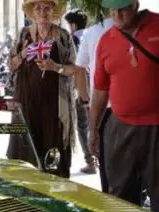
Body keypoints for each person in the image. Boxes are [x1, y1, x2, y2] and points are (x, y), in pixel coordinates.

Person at [89, 0, 159, 212]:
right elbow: (100, 91)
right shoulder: (106, 41)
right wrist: (93, 130)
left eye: (122, 8)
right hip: (121, 128)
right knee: (121, 198)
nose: (117, 14)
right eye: (112, 9)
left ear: (135, 5)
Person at [7, 0, 80, 178]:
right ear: (32, 11)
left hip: (55, 104)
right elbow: (11, 65)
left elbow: (74, 69)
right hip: (25, 102)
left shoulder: (63, 36)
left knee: (53, 150)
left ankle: (55, 192)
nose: (42, 12)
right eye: (38, 8)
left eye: (47, 7)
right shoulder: (24, 34)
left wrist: (55, 67)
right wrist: (24, 53)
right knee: (24, 145)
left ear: (53, 11)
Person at [76, 11, 114, 186]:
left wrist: (85, 100)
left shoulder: (92, 33)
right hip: (125, 107)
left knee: (106, 160)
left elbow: (79, 68)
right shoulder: (134, 28)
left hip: (101, 106)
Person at [64, 10, 94, 174]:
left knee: (82, 125)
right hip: (97, 86)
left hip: (81, 86)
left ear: (73, 25)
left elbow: (76, 67)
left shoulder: (74, 39)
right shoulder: (92, 36)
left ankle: (90, 161)